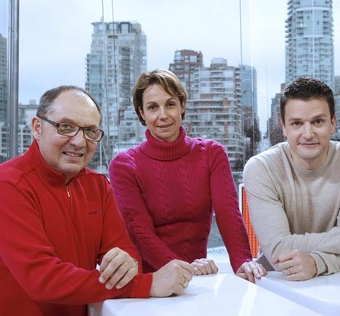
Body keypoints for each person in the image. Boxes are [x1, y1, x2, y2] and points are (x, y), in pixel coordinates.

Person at [0, 85, 194, 316]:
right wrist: (147, 283)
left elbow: (127, 257)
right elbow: (43, 280)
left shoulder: (98, 186)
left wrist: (127, 264)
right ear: (37, 127)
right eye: (66, 127)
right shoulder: (5, 187)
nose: (79, 141)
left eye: (90, 131)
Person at [109, 69, 266, 283]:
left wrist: (242, 261)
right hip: (150, 283)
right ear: (142, 113)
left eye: (170, 104)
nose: (162, 115)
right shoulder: (124, 165)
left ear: (182, 106)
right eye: (153, 107)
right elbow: (141, 234)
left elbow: (228, 214)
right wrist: (183, 269)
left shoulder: (212, 153)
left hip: (198, 279)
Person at [243, 76, 340, 281]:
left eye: (318, 122)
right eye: (297, 123)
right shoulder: (260, 167)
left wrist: (316, 264)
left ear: (333, 123)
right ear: (284, 127)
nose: (308, 134)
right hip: (279, 281)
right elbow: (278, 249)